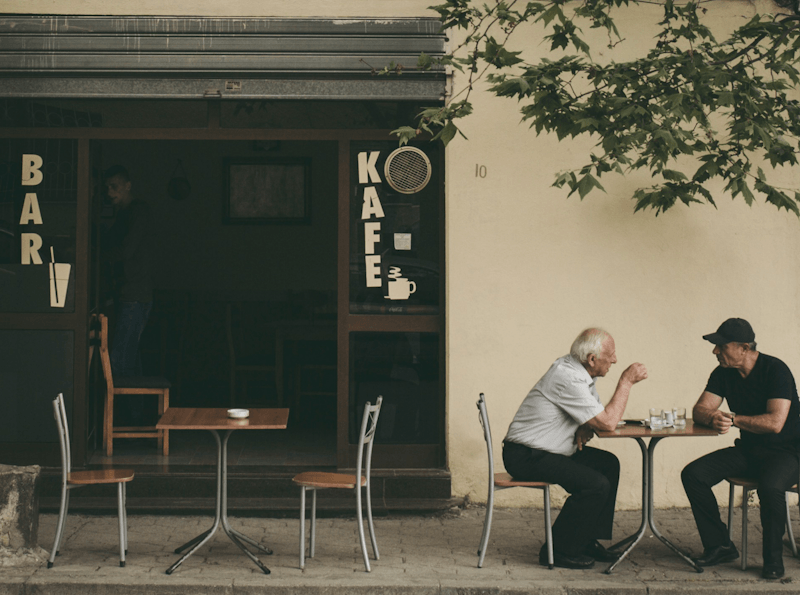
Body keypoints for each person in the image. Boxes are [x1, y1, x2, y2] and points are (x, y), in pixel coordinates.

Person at [502, 328, 648, 569]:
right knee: (595, 484)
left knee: (608, 464)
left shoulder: (579, 373)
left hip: (547, 451)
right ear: (592, 359)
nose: (615, 360)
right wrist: (626, 381)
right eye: (610, 355)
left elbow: (596, 416)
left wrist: (585, 423)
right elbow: (608, 422)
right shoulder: (568, 376)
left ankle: (585, 539)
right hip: (526, 455)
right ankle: (558, 550)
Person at [681, 318, 800, 580]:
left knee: (770, 488)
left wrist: (733, 419)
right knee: (693, 474)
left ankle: (772, 560)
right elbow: (700, 409)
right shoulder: (722, 373)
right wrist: (711, 417)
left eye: (721, 346)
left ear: (744, 348)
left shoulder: (775, 370)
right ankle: (720, 545)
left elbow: (775, 422)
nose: (715, 351)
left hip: (788, 453)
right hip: (749, 450)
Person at [102, 165, 156, 424]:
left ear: (128, 185)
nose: (109, 192)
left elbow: (124, 251)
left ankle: (123, 421)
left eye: (114, 186)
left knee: (120, 360)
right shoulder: (123, 215)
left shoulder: (138, 212)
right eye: (106, 187)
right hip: (128, 295)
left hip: (134, 296)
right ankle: (135, 419)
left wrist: (91, 254)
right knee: (130, 359)